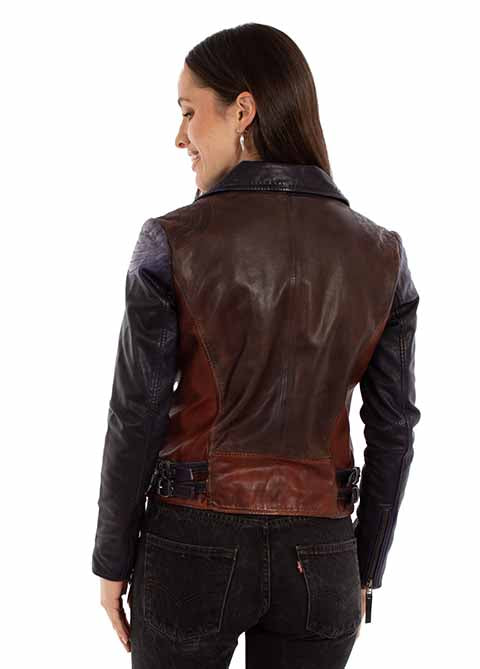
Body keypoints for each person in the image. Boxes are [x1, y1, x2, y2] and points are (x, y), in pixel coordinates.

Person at [92, 22, 421, 668]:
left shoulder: (172, 241)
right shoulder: (382, 255)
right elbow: (394, 429)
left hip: (192, 542)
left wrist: (112, 559)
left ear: (242, 110)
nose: (180, 137)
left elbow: (137, 413)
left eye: (189, 112)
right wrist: (363, 567)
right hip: (322, 554)